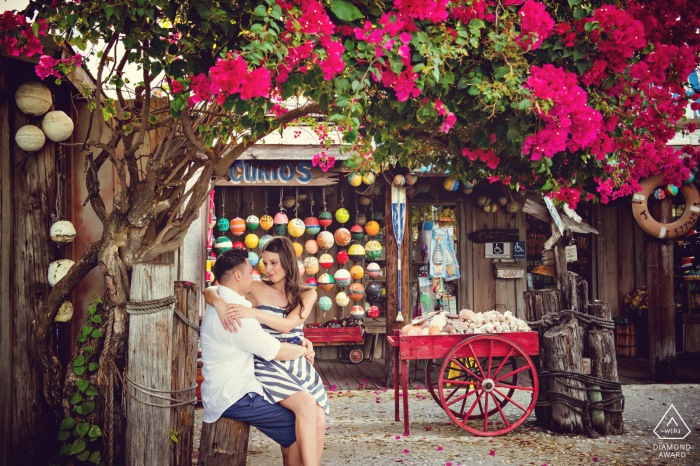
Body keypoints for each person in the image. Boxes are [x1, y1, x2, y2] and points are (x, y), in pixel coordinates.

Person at [204, 236, 328, 466]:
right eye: (265, 263)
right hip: (268, 359)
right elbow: (213, 289)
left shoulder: (307, 293)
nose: (268, 269)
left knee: (318, 418)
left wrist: (255, 313)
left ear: (288, 262)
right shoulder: (257, 287)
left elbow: (289, 325)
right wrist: (220, 304)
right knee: (305, 409)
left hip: (296, 359)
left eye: (274, 263)